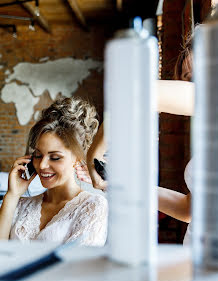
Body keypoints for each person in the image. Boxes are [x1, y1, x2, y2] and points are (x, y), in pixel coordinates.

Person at [76, 37, 194, 243]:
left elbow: (133, 91)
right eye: (188, 79)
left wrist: (93, 154)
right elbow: (188, 210)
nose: (190, 87)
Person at [0, 97, 108, 246]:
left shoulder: (92, 206)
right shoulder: (21, 204)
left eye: (55, 157)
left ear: (77, 158)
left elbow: (77, 265)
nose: (42, 165)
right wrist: (12, 195)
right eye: (37, 155)